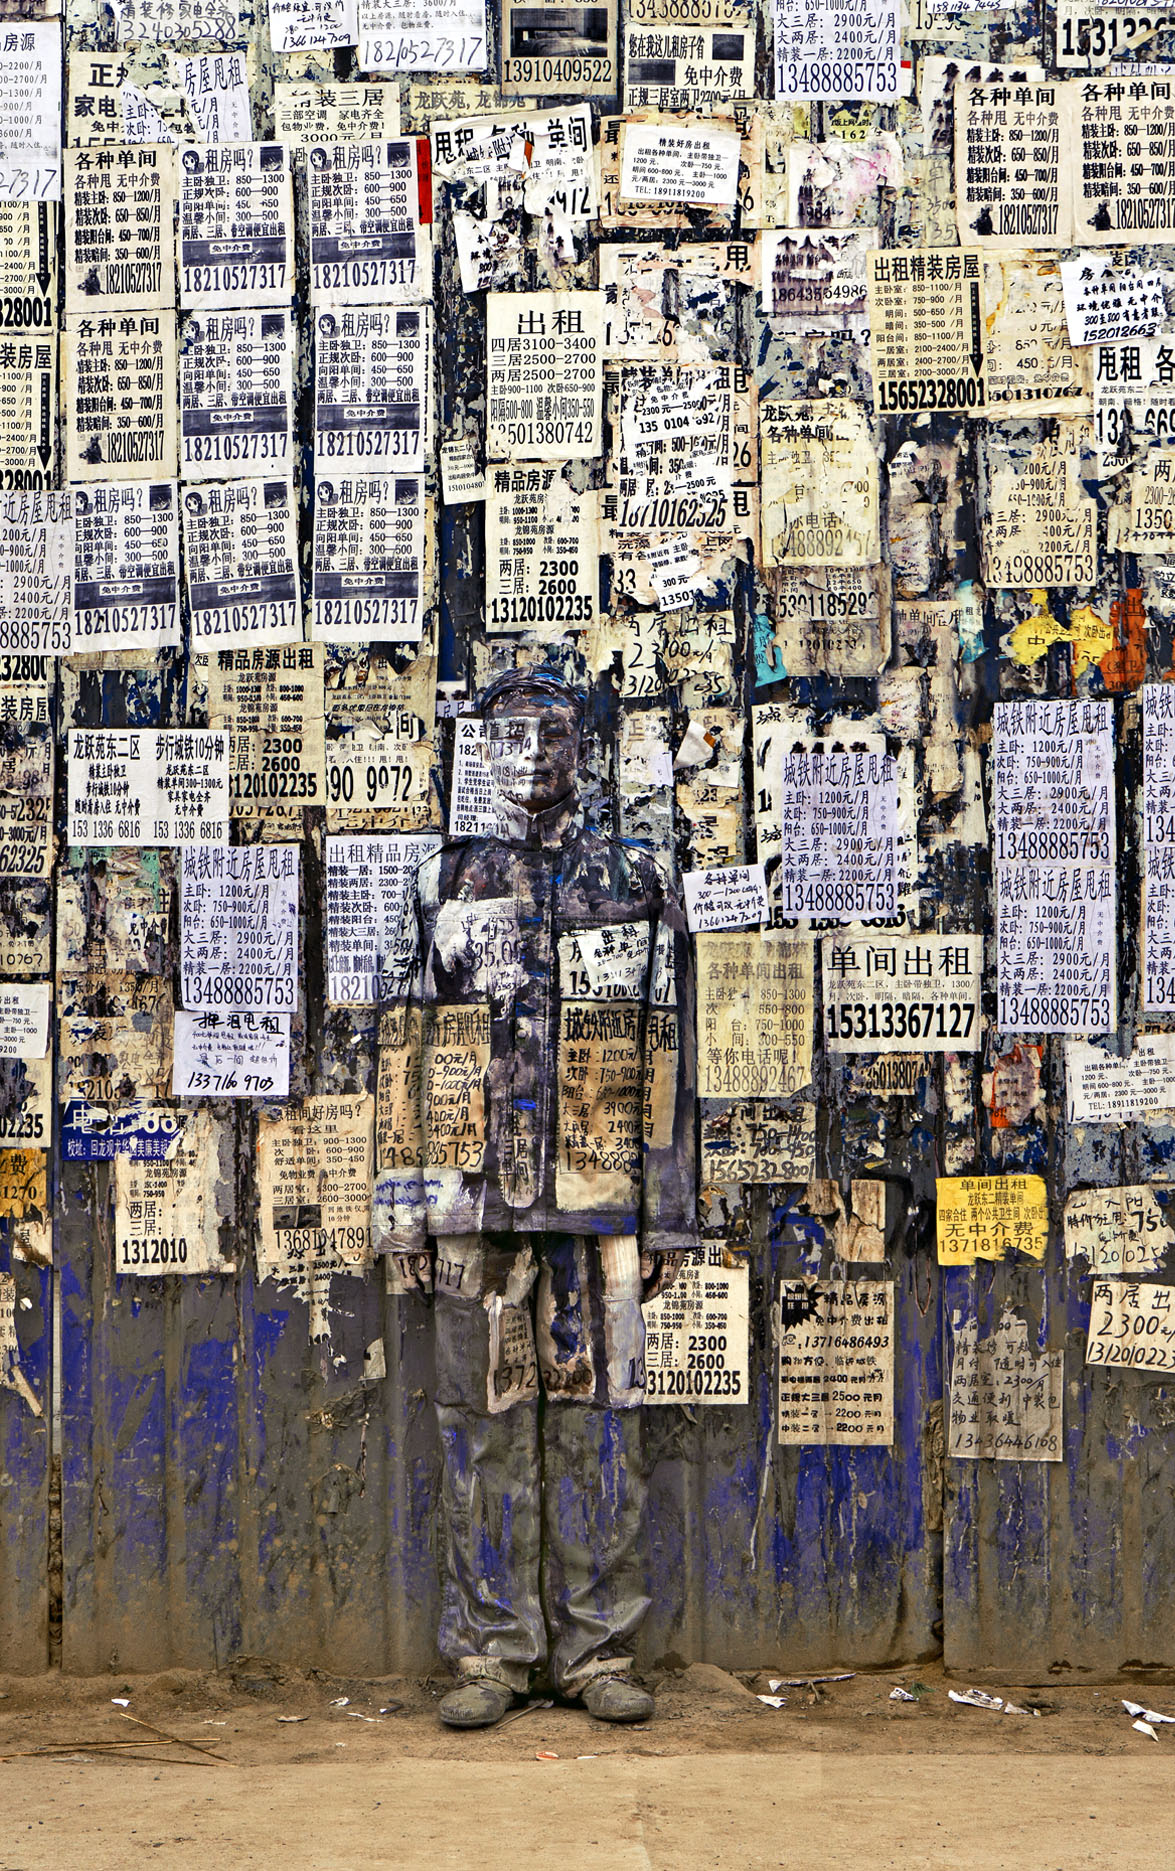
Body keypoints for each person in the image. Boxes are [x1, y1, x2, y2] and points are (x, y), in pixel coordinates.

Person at [373, 668, 697, 1728]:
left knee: (605, 1427)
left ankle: (598, 1649)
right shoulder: (443, 882)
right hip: (472, 1203)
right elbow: (401, 1053)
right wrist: (402, 1211)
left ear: (582, 748)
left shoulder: (637, 879)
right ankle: (491, 1652)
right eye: (510, 735)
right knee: (480, 1429)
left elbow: (667, 1050)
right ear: (482, 749)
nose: (533, 753)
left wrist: (668, 1210)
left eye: (552, 733)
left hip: (603, 1201)